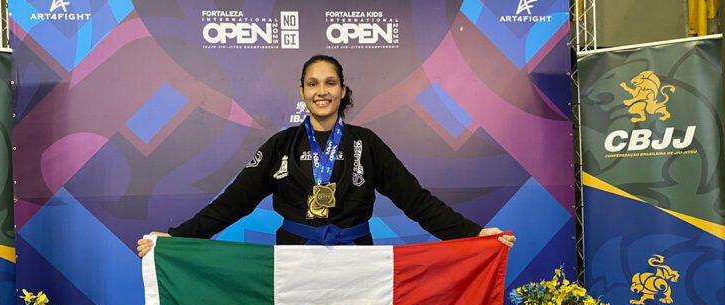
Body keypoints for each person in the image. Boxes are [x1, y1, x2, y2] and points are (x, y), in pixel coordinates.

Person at [137, 55, 515, 257]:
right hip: (295, 260)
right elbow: (233, 202)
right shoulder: (281, 146)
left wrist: (474, 234)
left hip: (356, 258)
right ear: (302, 91)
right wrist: (176, 237)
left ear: (343, 90)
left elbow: (416, 200)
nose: (322, 91)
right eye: (313, 83)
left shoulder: (367, 144)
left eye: (330, 83)